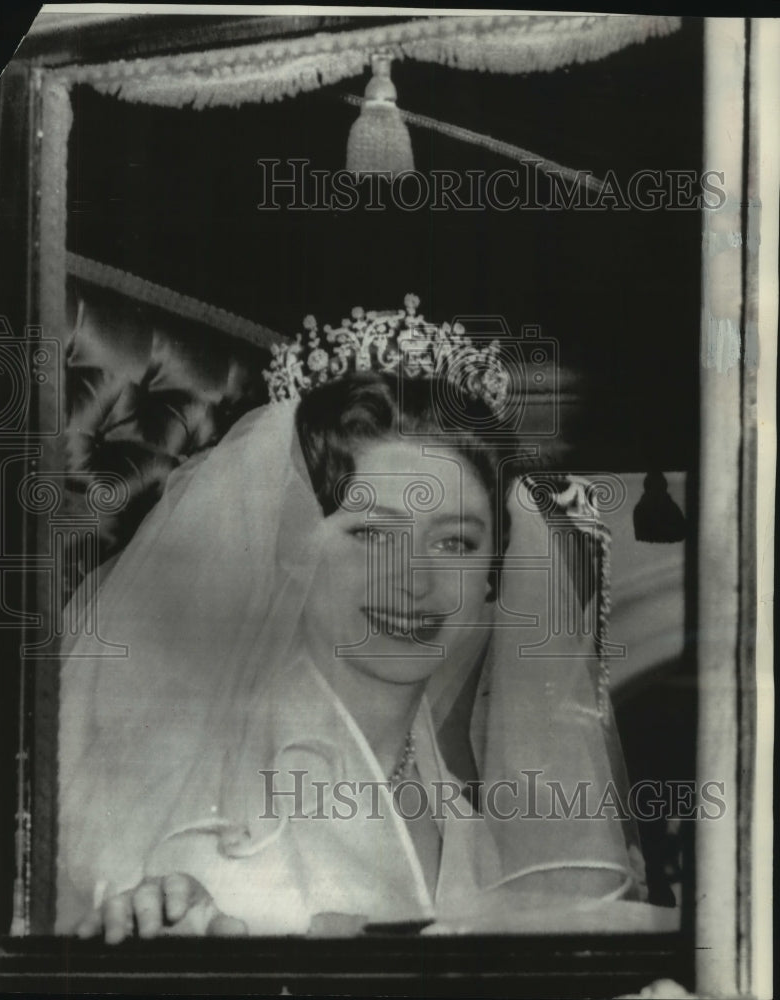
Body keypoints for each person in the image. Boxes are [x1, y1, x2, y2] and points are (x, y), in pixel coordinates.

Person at [57, 296, 653, 942]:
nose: (416, 581)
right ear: (290, 545)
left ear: (492, 572)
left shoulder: (464, 818)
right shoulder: (179, 804)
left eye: (456, 542)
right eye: (371, 533)